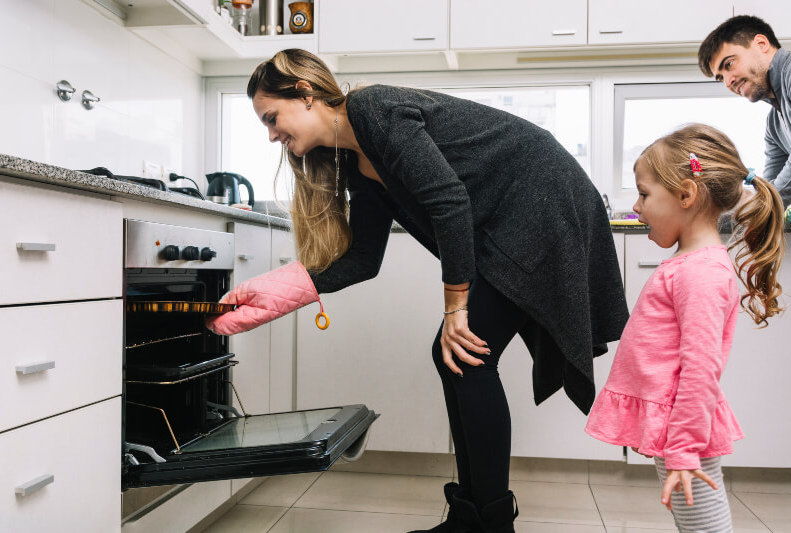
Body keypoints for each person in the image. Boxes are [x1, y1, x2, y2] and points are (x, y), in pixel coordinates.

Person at [217, 48, 630, 533]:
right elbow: (364, 260)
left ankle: (489, 524)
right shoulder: (354, 161)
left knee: (465, 353)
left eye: (272, 118)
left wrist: (456, 308)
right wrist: (279, 290)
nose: (271, 135)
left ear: (306, 95)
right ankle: (471, 518)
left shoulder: (372, 109)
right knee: (456, 356)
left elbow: (449, 201)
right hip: (515, 215)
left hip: (543, 200)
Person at [585, 124, 785, 533]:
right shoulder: (691, 264)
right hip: (678, 427)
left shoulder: (702, 273)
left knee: (704, 528)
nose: (636, 206)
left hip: (684, 430)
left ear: (686, 195)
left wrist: (683, 450)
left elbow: (701, 369)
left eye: (643, 194)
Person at [698, 15, 791, 207]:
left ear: (761, 43)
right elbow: (774, 191)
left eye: (729, 64)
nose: (727, 82)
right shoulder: (774, 124)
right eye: (720, 77)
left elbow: (772, 195)